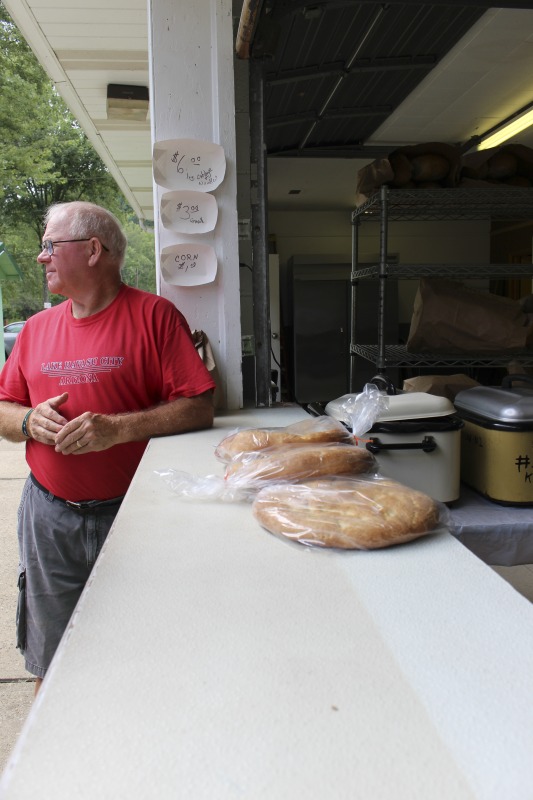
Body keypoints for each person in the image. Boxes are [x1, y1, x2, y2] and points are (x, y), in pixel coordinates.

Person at [0, 201, 216, 694]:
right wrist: (30, 421)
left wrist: (116, 429)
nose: (41, 257)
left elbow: (198, 406)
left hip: (137, 516)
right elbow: (3, 408)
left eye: (50, 245)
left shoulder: (155, 317)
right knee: (52, 663)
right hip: (50, 519)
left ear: (93, 250)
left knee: (146, 652)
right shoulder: (35, 330)